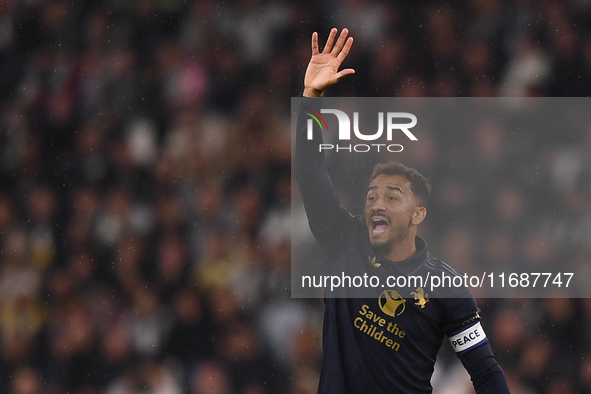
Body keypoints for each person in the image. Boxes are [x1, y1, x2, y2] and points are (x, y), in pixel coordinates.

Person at [295, 28, 511, 393]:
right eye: (372, 196)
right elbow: (309, 168)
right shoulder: (342, 239)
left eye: (392, 197)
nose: (377, 203)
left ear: (417, 215)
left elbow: (485, 373)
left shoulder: (447, 287)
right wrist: (311, 99)